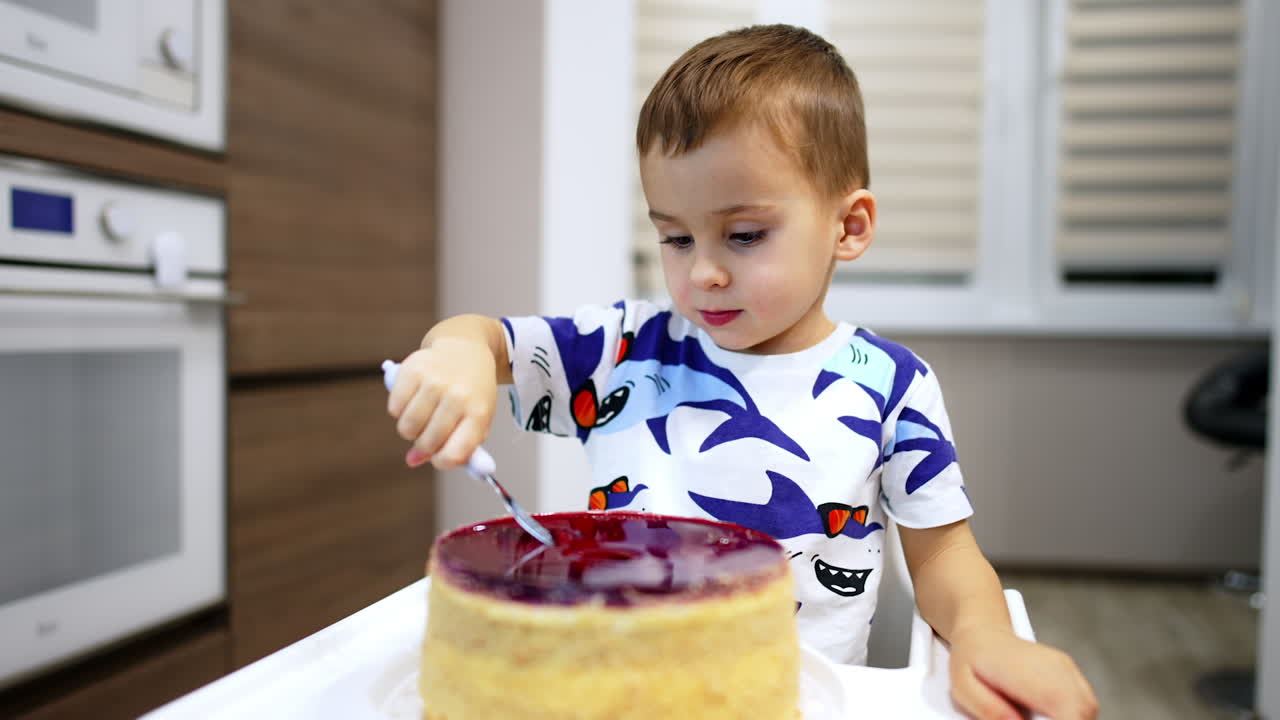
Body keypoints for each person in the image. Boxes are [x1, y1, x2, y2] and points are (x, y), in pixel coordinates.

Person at [387, 23, 1097, 720]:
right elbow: (486, 340)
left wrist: (985, 635)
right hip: (618, 692)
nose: (703, 272)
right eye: (675, 236)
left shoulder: (892, 386)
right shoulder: (626, 347)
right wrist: (457, 356)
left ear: (847, 227)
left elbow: (945, 560)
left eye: (745, 235)